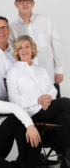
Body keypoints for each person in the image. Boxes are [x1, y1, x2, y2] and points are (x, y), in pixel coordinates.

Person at [7, 35, 70, 168]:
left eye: (27, 46)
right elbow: (14, 98)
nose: (24, 50)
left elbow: (52, 90)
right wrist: (37, 100)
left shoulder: (41, 70)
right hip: (32, 112)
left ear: (32, 49)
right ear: (17, 51)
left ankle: (66, 160)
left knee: (65, 117)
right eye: (20, 48)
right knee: (65, 102)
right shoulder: (14, 72)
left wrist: (47, 97)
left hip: (48, 108)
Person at [9, 0, 63, 98]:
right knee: (36, 112)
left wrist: (59, 70)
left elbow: (57, 45)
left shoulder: (45, 20)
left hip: (49, 75)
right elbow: (9, 51)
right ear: (15, 4)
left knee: (58, 109)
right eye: (21, 1)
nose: (25, 4)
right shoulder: (13, 27)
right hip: (28, 83)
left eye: (28, 1)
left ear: (33, 3)